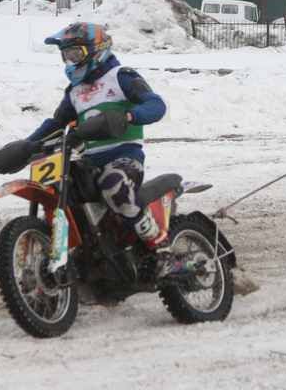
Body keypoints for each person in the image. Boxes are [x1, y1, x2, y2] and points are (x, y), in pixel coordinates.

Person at [27, 22, 177, 272]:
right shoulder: (74, 91)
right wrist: (27, 145)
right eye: (66, 55)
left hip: (124, 157)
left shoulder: (120, 77)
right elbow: (56, 123)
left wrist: (128, 116)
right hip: (89, 162)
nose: (71, 61)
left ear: (96, 50)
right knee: (64, 191)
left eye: (76, 54)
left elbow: (156, 105)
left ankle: (161, 246)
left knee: (113, 185)